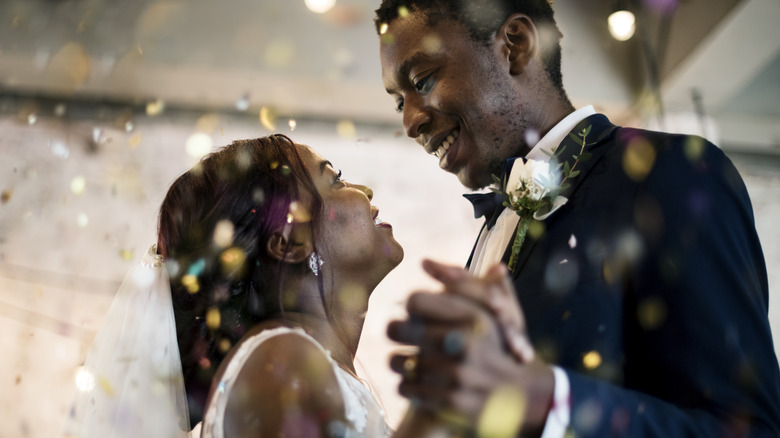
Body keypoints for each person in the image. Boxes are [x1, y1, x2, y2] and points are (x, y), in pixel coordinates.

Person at [374, 1, 780, 437]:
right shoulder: (494, 227)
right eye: (400, 101)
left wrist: (549, 399)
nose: (410, 121)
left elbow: (749, 428)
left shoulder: (669, 174)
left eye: (422, 81)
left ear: (515, 45)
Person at [65, 134, 404, 437]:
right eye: (336, 181)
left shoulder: (297, 365)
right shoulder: (282, 365)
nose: (365, 191)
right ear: (289, 244)